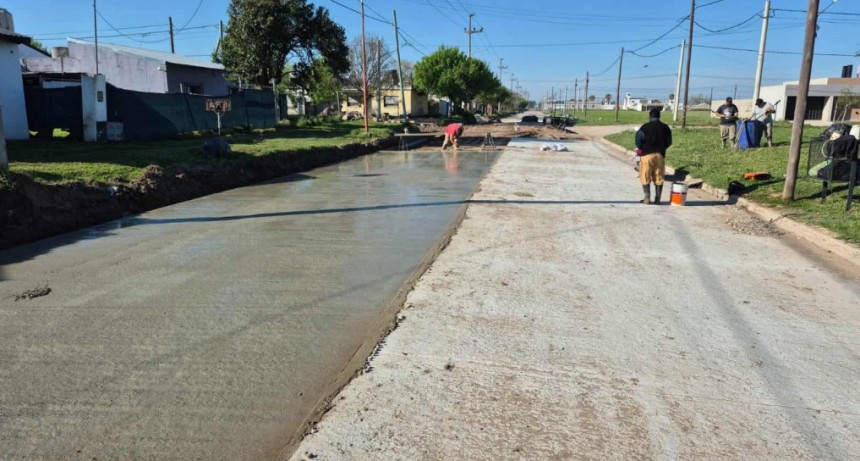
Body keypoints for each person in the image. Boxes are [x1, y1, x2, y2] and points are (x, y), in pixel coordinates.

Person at [635, 108, 673, 205]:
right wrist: (662, 148)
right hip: (660, 155)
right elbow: (669, 142)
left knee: (645, 175)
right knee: (659, 177)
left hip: (647, 155)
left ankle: (647, 197)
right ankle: (657, 199)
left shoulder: (644, 127)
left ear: (650, 116)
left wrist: (641, 148)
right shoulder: (665, 127)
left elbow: (638, 141)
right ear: (659, 116)